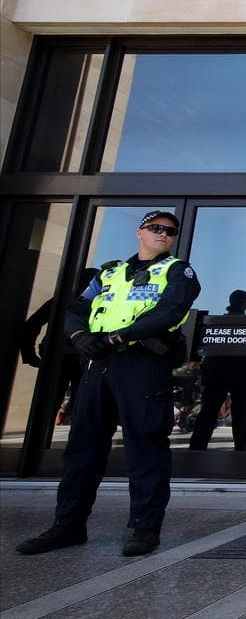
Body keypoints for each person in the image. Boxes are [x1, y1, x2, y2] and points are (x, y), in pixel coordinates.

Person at [18, 210, 200, 557]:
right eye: (156, 228)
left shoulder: (178, 271)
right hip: (99, 363)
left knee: (145, 447)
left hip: (142, 364)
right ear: (140, 232)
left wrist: (118, 338)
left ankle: (144, 529)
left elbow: (169, 312)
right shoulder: (110, 271)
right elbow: (77, 308)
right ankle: (68, 526)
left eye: (170, 231)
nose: (164, 235)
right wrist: (79, 336)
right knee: (82, 448)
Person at [20, 268, 100, 427]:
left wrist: (30, 355)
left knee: (48, 402)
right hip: (79, 357)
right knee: (81, 403)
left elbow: (31, 326)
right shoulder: (97, 303)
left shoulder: (59, 301)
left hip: (60, 355)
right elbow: (30, 326)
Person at [188, 290, 246, 451]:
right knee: (241, 415)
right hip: (240, 375)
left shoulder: (217, 323)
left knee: (208, 412)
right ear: (245, 304)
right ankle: (242, 447)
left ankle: (197, 446)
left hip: (216, 374)